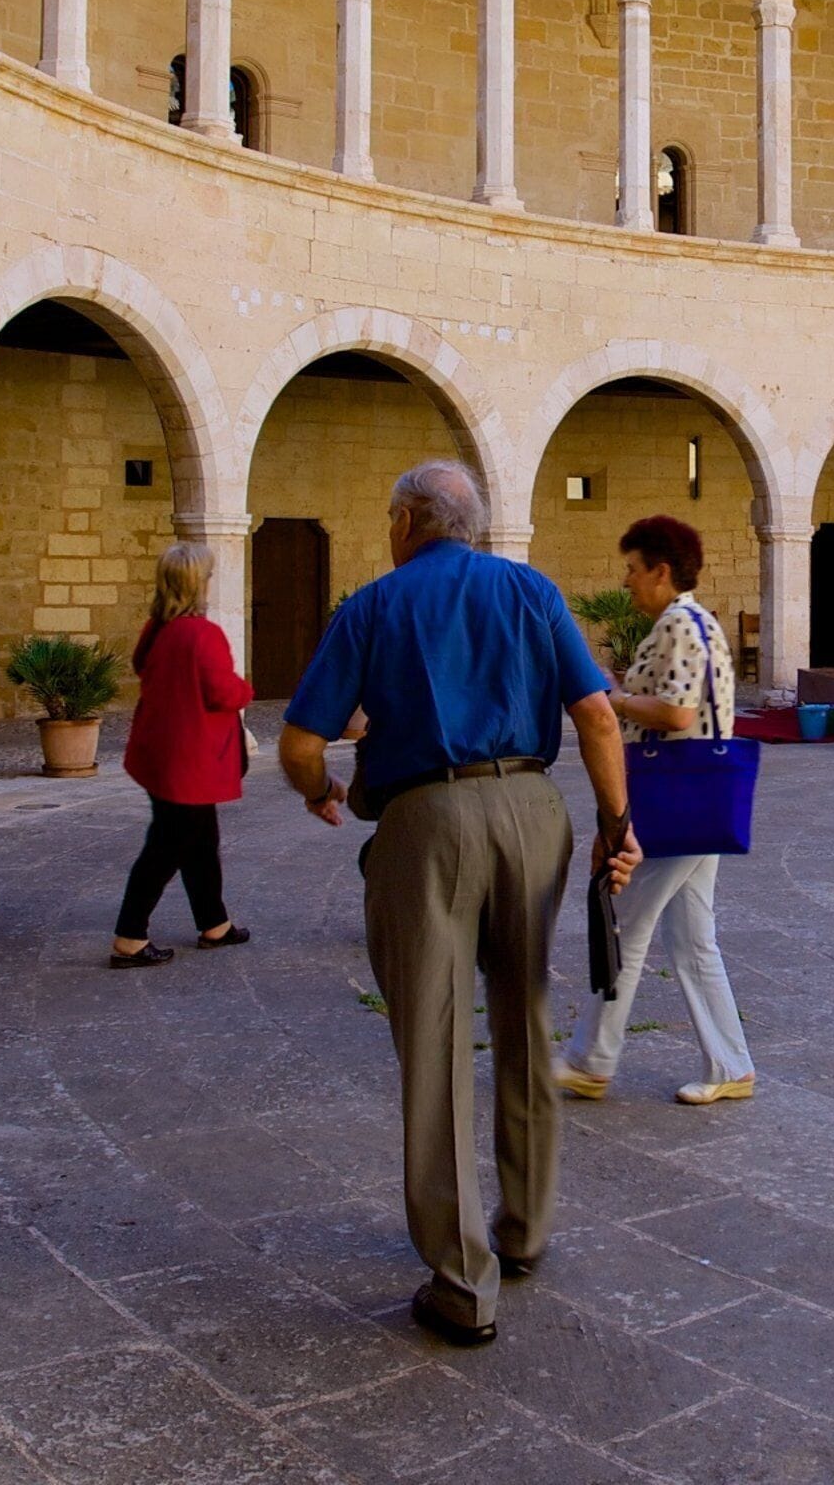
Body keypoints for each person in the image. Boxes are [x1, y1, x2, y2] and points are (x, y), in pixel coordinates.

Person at [277, 461, 637, 1350]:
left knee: (434, 1041)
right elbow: (595, 714)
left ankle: (462, 1280)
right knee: (525, 1014)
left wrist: (320, 787)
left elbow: (297, 740)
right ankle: (525, 1230)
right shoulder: (531, 590)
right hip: (531, 810)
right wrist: (616, 826)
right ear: (472, 524)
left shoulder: (374, 605)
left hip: (427, 820)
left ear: (408, 521)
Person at [557, 516, 756, 1107]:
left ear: (661, 571)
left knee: (627, 923)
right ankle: (731, 1063)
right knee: (693, 937)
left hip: (677, 799)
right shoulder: (696, 622)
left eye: (633, 569)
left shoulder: (679, 623)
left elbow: (676, 713)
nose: (627, 581)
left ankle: (590, 1060)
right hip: (699, 798)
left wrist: (612, 697)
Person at [107, 541, 251, 968]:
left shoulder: (157, 628)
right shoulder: (203, 634)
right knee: (166, 847)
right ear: (197, 584)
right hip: (189, 760)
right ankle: (130, 935)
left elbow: (140, 666)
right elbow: (224, 692)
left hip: (160, 752)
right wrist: (247, 689)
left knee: (202, 840)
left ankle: (214, 922)